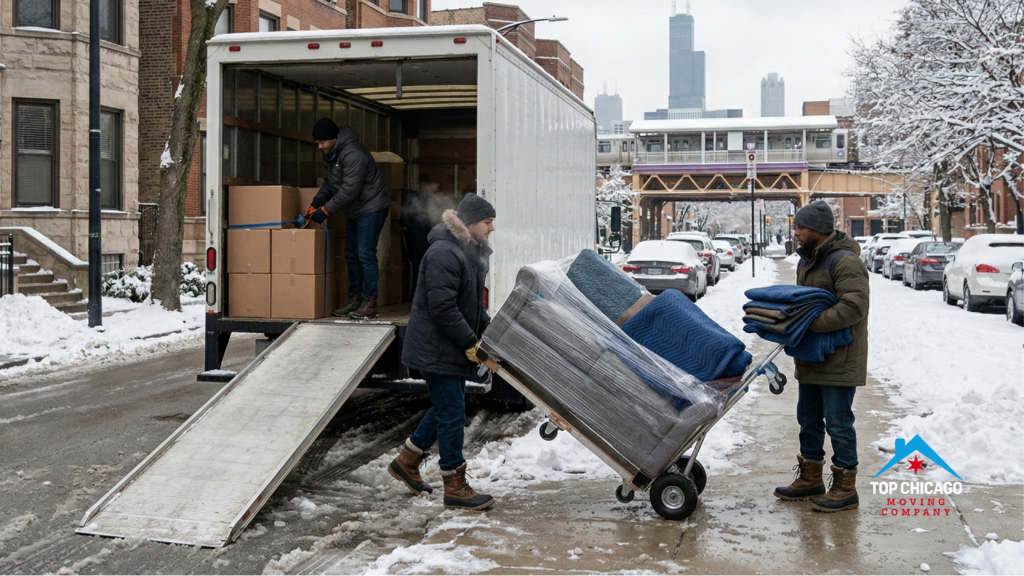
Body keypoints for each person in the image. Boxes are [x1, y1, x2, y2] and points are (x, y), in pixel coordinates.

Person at [389, 193, 496, 510]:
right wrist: (469, 343)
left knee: (446, 406)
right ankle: (454, 484)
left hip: (446, 344)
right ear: (472, 222)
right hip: (436, 347)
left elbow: (472, 304)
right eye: (488, 222)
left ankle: (407, 460)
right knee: (451, 414)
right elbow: (443, 307)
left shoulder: (468, 252)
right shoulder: (444, 253)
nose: (492, 228)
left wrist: (490, 329)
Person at [773, 201, 869, 513]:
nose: (796, 231)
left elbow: (854, 307)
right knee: (808, 419)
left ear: (816, 228)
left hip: (840, 359)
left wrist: (810, 324)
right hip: (812, 357)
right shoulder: (808, 261)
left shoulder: (845, 262)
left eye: (800, 227)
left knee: (838, 423)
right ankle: (810, 477)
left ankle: (845, 486)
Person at [305, 118, 390, 320]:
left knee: (365, 254)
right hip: (356, 210)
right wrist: (316, 202)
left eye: (322, 142)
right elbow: (331, 182)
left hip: (371, 207)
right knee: (351, 255)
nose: (319, 146)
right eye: (317, 143)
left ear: (334, 138)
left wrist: (325, 211)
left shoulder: (353, 153)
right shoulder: (333, 152)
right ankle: (355, 299)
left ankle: (369, 302)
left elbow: (349, 190)